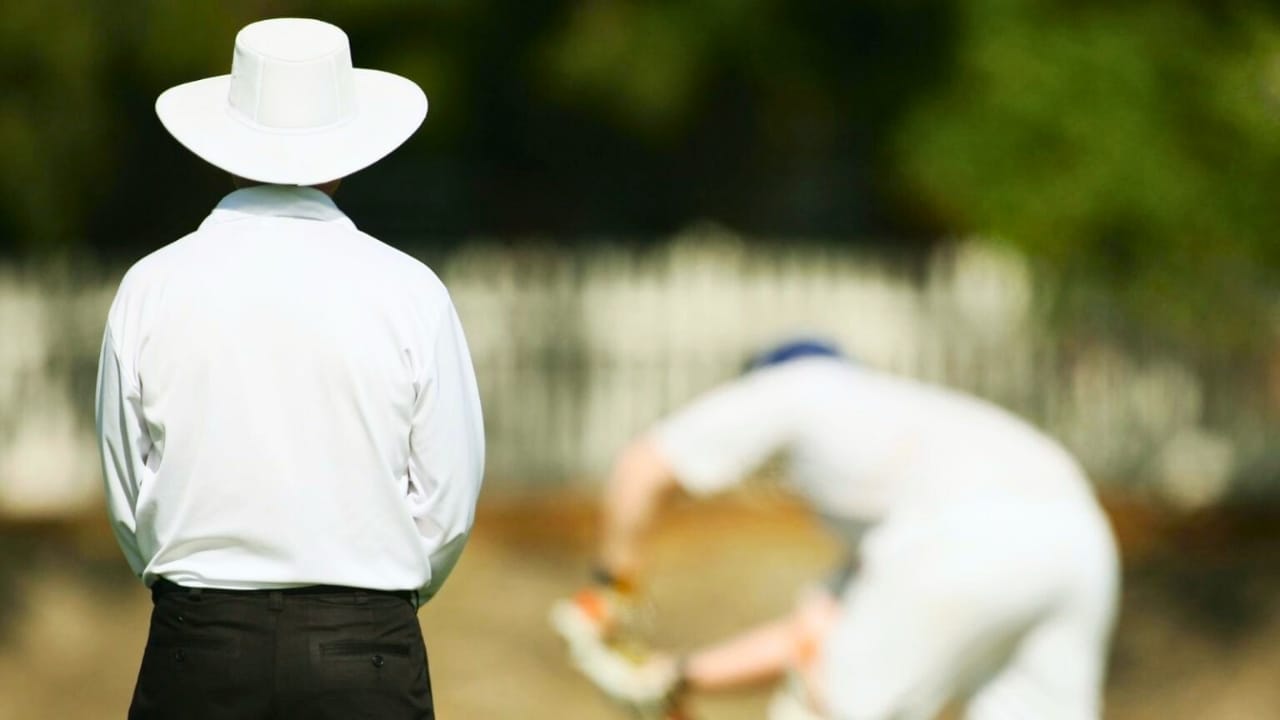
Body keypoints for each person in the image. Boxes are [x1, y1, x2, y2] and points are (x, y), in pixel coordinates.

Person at [94, 18, 484, 720]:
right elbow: (447, 502)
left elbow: (129, 493)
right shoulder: (410, 291)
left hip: (200, 642)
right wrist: (376, 590)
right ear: (348, 151)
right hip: (365, 647)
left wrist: (202, 580)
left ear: (225, 145)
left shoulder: (151, 286)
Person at [553, 340, 1118, 720]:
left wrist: (611, 589)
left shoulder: (794, 384)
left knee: (826, 708)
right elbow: (813, 635)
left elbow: (641, 468)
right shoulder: (912, 445)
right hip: (1081, 539)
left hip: (964, 540)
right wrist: (674, 678)